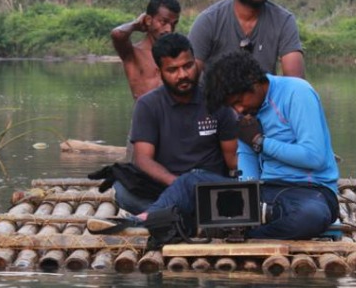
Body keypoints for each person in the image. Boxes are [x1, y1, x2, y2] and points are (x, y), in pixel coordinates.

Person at [136, 51, 338, 240]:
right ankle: (146, 220)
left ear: (255, 82)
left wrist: (260, 142)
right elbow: (248, 167)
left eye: (240, 100)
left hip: (310, 191)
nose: (239, 109)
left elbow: (314, 156)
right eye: (233, 106)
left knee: (311, 216)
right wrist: (245, 201)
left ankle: (241, 233)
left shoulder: (297, 92)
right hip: (266, 193)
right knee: (191, 180)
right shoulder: (246, 112)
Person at [111, 33, 239, 214]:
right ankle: (173, 213)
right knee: (123, 193)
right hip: (166, 186)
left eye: (188, 66)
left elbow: (233, 160)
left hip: (208, 187)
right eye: (173, 70)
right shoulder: (147, 105)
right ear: (159, 71)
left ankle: (165, 215)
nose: (183, 75)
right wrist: (177, 183)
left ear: (196, 62)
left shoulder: (218, 101)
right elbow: (143, 159)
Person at [188, 0, 305, 78]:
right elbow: (189, 78)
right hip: (215, 97)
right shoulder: (209, 21)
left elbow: (296, 82)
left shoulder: (283, 21)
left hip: (264, 97)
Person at [111, 0, 182, 100]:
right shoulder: (133, 54)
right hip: (145, 115)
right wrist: (136, 24)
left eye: (173, 24)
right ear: (149, 20)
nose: (169, 29)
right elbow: (117, 34)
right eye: (163, 22)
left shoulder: (178, 54)